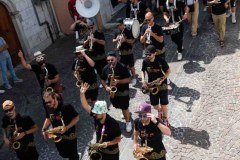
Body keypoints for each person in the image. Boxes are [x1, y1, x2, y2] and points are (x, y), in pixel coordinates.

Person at [79, 83, 122, 160]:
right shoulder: (97, 116)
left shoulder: (113, 123)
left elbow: (118, 138)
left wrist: (107, 143)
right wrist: (82, 94)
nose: (94, 114)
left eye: (97, 113)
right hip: (100, 150)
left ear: (104, 112)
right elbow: (85, 106)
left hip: (111, 154)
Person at [42, 90, 80, 160]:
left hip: (69, 136)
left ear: (55, 98)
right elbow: (48, 118)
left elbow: (77, 118)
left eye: (49, 101)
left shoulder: (66, 106)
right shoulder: (48, 107)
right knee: (63, 154)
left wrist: (67, 127)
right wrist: (44, 129)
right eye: (46, 102)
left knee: (73, 156)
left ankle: (76, 156)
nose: (48, 104)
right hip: (58, 136)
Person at [101, 51, 132, 132]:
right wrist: (106, 86)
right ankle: (125, 112)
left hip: (123, 91)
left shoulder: (122, 67)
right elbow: (102, 79)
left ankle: (128, 122)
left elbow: (129, 79)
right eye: (108, 60)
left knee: (125, 107)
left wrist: (118, 81)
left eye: (112, 60)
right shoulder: (105, 68)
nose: (110, 62)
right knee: (117, 105)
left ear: (116, 59)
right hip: (113, 92)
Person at [141, 45, 171, 126]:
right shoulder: (145, 61)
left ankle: (165, 119)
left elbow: (168, 71)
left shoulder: (161, 60)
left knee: (164, 104)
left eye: (149, 54)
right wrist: (143, 80)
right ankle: (159, 111)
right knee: (154, 105)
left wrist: (162, 79)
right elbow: (142, 71)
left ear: (155, 53)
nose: (148, 56)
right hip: (152, 86)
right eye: (146, 54)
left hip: (162, 85)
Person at [113, 18, 137, 85]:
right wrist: (116, 39)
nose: (119, 27)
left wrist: (125, 40)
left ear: (123, 24)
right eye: (118, 25)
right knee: (123, 66)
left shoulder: (128, 31)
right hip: (121, 53)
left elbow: (132, 41)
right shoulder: (117, 32)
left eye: (120, 25)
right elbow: (113, 40)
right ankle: (127, 77)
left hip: (129, 52)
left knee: (131, 66)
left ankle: (134, 78)